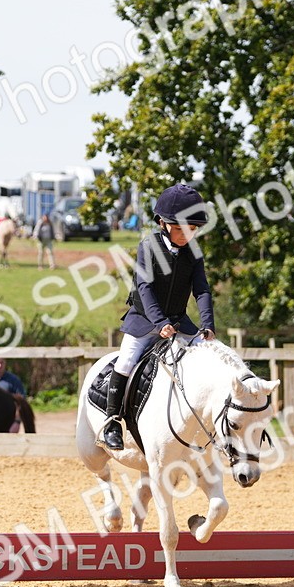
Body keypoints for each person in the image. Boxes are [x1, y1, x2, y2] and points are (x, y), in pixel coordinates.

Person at [101, 182, 216, 450]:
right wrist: (159, 322)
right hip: (144, 321)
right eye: (180, 229)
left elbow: (202, 289)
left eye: (192, 229)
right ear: (163, 223)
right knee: (127, 361)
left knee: (208, 359)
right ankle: (112, 422)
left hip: (179, 322)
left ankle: (207, 423)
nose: (186, 235)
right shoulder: (148, 246)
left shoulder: (193, 253)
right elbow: (145, 287)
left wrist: (208, 325)